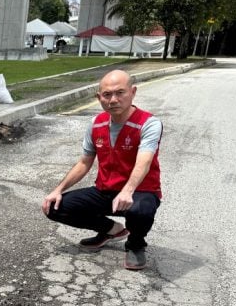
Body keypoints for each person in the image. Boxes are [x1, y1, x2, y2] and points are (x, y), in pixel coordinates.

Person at [41, 69, 162, 271]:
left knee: (140, 211)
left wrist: (128, 190)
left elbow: (144, 161)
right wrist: (57, 190)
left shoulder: (148, 124)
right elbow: (84, 163)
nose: (113, 99)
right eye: (107, 95)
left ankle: (135, 244)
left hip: (140, 192)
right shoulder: (96, 124)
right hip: (105, 190)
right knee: (54, 207)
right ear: (99, 98)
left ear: (133, 92)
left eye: (120, 92)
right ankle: (111, 230)